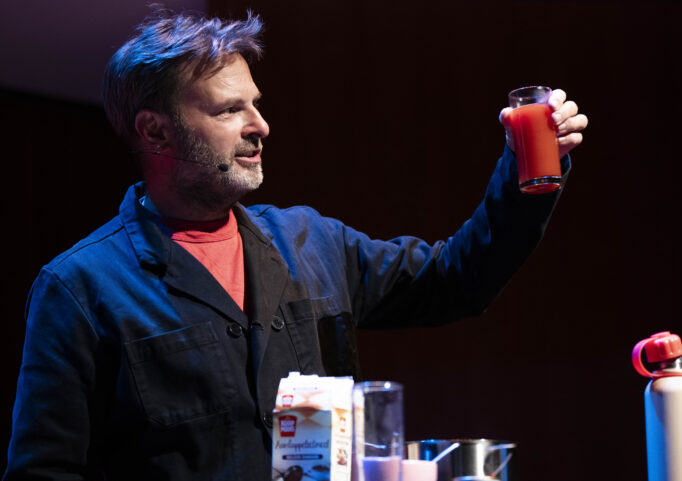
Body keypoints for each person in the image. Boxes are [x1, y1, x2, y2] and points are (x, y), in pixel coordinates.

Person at [4, 8, 587, 481]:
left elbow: (457, 280)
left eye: (255, 104)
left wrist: (527, 173)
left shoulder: (312, 242)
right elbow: (45, 471)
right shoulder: (80, 288)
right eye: (231, 109)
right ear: (156, 130)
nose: (260, 125)